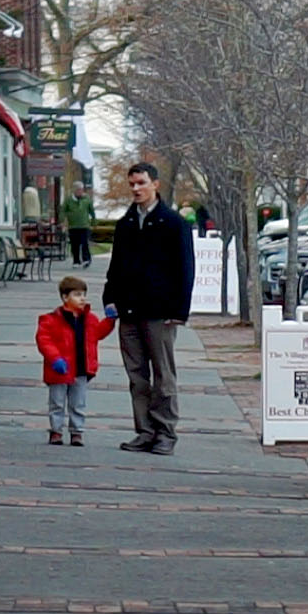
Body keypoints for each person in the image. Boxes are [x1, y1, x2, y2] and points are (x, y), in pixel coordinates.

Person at [102, 162, 194, 455]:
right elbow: (116, 265)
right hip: (129, 311)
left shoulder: (174, 223)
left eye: (141, 183)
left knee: (163, 375)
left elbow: (185, 268)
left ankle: (165, 432)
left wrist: (179, 310)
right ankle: (145, 431)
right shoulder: (126, 224)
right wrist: (110, 297)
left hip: (161, 312)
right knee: (137, 376)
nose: (136, 189)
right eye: (132, 184)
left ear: (155, 184)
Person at [36, 275, 115, 446]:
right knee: (57, 402)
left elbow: (98, 333)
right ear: (65, 297)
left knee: (78, 403)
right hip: (59, 370)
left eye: (83, 295)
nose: (82, 299)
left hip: (81, 368)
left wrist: (109, 321)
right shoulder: (51, 320)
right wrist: (55, 358)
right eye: (77, 295)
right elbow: (44, 340)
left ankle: (77, 431)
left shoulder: (89, 319)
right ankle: (56, 430)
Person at [61, 186, 95, 267]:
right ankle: (76, 261)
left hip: (84, 226)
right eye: (78, 190)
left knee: (85, 243)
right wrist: (62, 221)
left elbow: (91, 211)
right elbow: (63, 211)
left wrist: (94, 221)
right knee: (74, 244)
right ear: (74, 191)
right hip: (73, 226)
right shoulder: (68, 200)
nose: (80, 192)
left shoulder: (87, 199)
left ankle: (86, 259)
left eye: (81, 190)